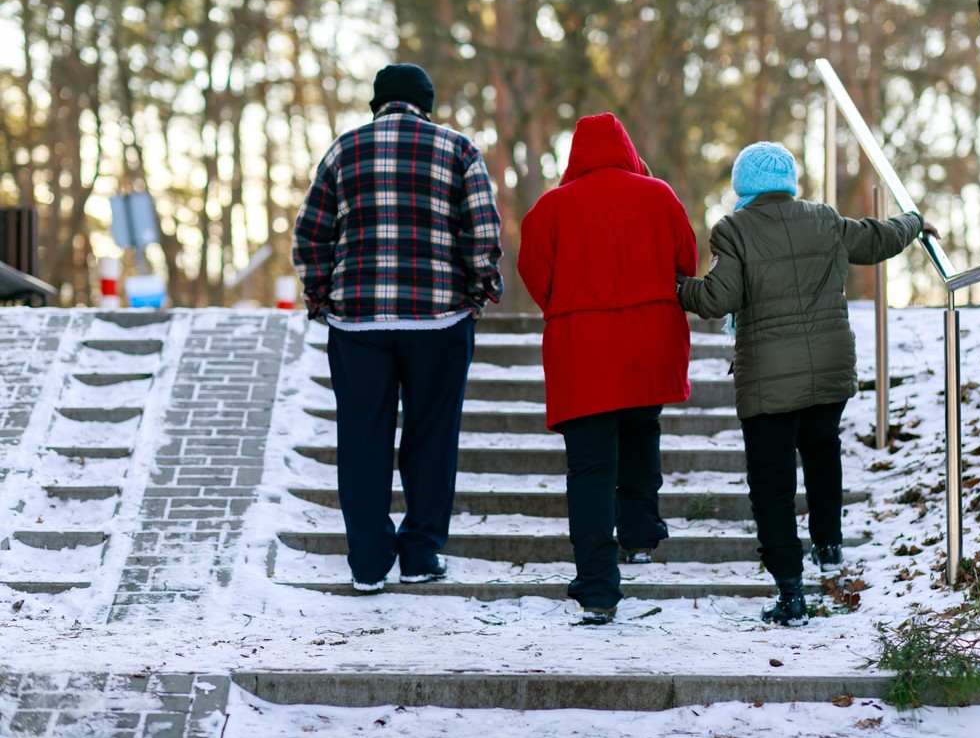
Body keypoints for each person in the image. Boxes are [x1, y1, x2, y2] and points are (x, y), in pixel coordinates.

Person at [675, 141, 939, 626]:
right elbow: (877, 239)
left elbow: (717, 298)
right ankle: (829, 543)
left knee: (772, 485)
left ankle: (792, 592)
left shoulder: (734, 229)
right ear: (788, 182)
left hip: (769, 379)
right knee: (821, 450)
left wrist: (676, 286)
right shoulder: (823, 218)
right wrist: (914, 222)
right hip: (830, 368)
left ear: (743, 186)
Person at [293, 63, 503, 592]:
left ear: (377, 103)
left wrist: (321, 293)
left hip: (358, 320)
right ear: (426, 105)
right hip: (439, 318)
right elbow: (482, 231)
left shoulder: (344, 150)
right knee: (432, 436)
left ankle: (367, 564)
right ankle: (420, 556)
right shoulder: (458, 149)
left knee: (361, 437)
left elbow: (310, 232)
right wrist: (479, 291)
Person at [518, 113, 698, 625]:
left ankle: (598, 587)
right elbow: (686, 257)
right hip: (648, 340)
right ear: (625, 147)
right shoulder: (658, 195)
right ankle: (640, 534)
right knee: (641, 430)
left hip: (583, 350)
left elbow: (535, 273)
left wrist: (568, 307)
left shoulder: (550, 208)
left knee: (591, 467)